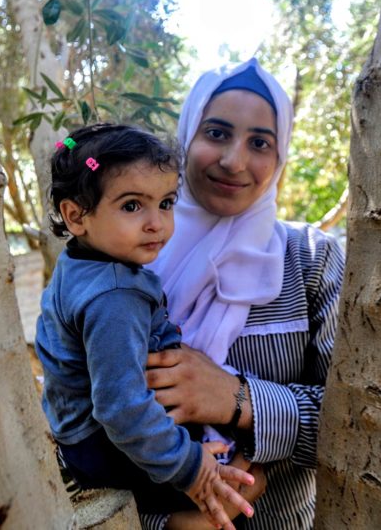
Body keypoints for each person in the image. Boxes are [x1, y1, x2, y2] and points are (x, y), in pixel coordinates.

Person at [143, 58, 345, 529]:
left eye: (259, 143)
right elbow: (78, 410)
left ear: (280, 158)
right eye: (215, 133)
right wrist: (171, 525)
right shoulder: (127, 257)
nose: (234, 161)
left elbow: (354, 426)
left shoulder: (311, 261)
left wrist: (236, 399)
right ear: (186, 138)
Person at [34, 123, 256, 530]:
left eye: (167, 202)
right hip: (104, 447)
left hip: (78, 437)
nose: (157, 223)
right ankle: (186, 522)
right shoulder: (115, 297)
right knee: (249, 474)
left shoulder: (81, 262)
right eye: (133, 206)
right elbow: (122, 409)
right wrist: (192, 468)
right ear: (76, 214)